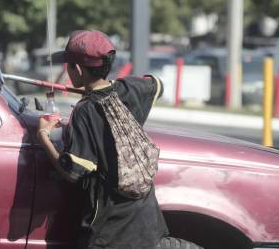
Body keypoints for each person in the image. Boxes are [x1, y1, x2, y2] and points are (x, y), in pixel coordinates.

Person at [37, 30, 187, 249]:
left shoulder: (85, 111)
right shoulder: (129, 89)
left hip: (111, 233)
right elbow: (157, 84)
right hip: (147, 222)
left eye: (68, 66)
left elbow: (73, 171)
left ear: (77, 70)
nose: (67, 70)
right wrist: (111, 86)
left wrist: (43, 136)